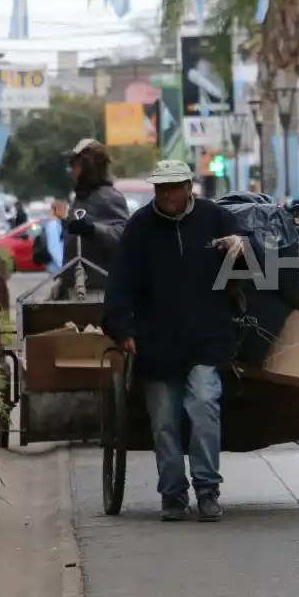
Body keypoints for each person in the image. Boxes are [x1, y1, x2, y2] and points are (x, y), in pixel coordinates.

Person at [103, 159, 252, 522]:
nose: (168, 194)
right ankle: (172, 493)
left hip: (206, 335)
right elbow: (120, 284)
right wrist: (122, 330)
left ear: (189, 186)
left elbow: (252, 263)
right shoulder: (139, 227)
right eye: (162, 187)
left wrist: (240, 246)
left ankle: (206, 488)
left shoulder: (214, 217)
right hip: (156, 339)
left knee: (203, 404)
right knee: (164, 420)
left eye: (175, 186)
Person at [60, 139, 129, 297]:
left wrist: (93, 229)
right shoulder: (81, 199)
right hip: (78, 288)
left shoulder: (110, 198)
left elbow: (123, 236)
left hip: (100, 291)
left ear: (88, 167)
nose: (71, 171)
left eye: (74, 165)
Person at [43, 200, 67, 274]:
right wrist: (62, 266)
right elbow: (53, 247)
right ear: (55, 210)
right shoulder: (53, 225)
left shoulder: (57, 223)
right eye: (62, 209)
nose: (65, 212)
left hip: (57, 266)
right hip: (56, 267)